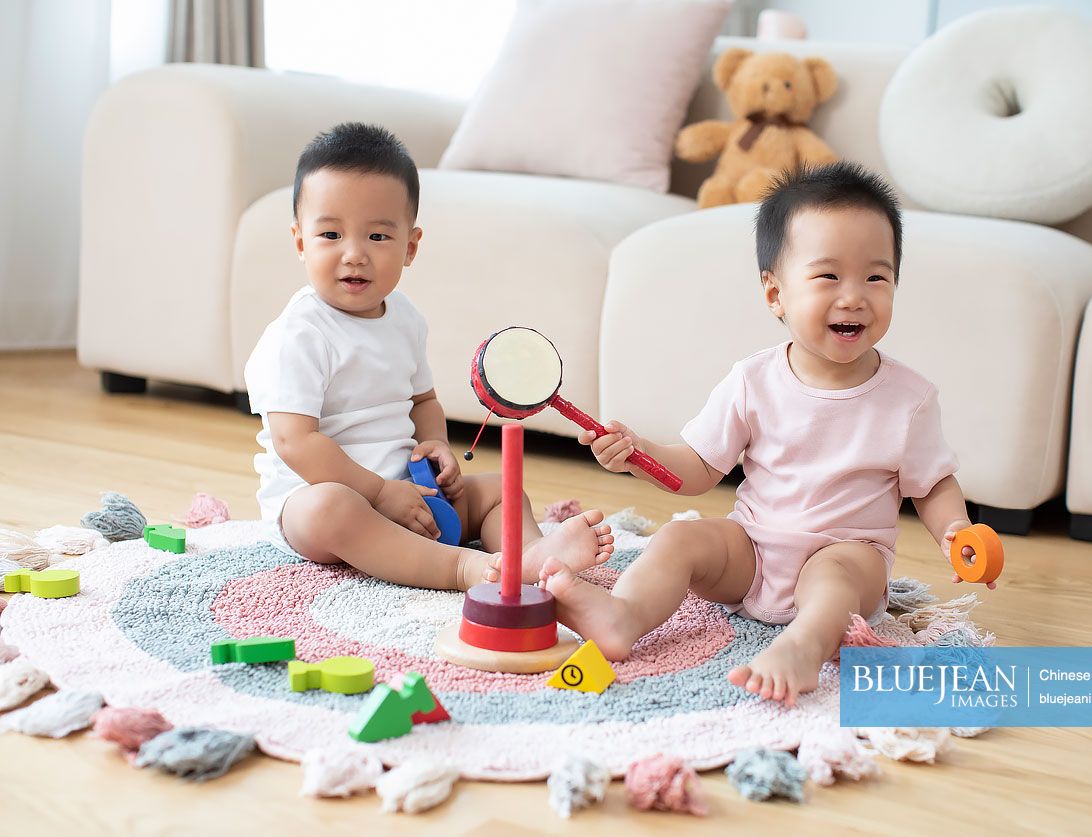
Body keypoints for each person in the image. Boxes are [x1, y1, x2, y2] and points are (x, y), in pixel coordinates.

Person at [539, 161, 995, 706]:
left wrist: (958, 530)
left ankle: (805, 646)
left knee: (836, 577)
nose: (854, 297)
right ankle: (624, 616)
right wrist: (640, 454)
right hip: (752, 550)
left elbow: (933, 483)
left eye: (876, 277)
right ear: (775, 294)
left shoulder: (909, 398)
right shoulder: (753, 380)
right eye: (828, 276)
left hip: (846, 554)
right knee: (681, 538)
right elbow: (697, 469)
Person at [244, 122, 614, 590]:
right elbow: (295, 443)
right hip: (324, 498)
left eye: (377, 237)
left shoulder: (404, 318)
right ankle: (462, 568)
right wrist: (378, 493)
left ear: (410, 247)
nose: (354, 254)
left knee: (502, 488)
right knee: (328, 510)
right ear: (301, 242)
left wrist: (435, 444)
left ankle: (530, 557)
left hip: (412, 492)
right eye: (331, 235)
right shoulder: (299, 334)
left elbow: (423, 402)